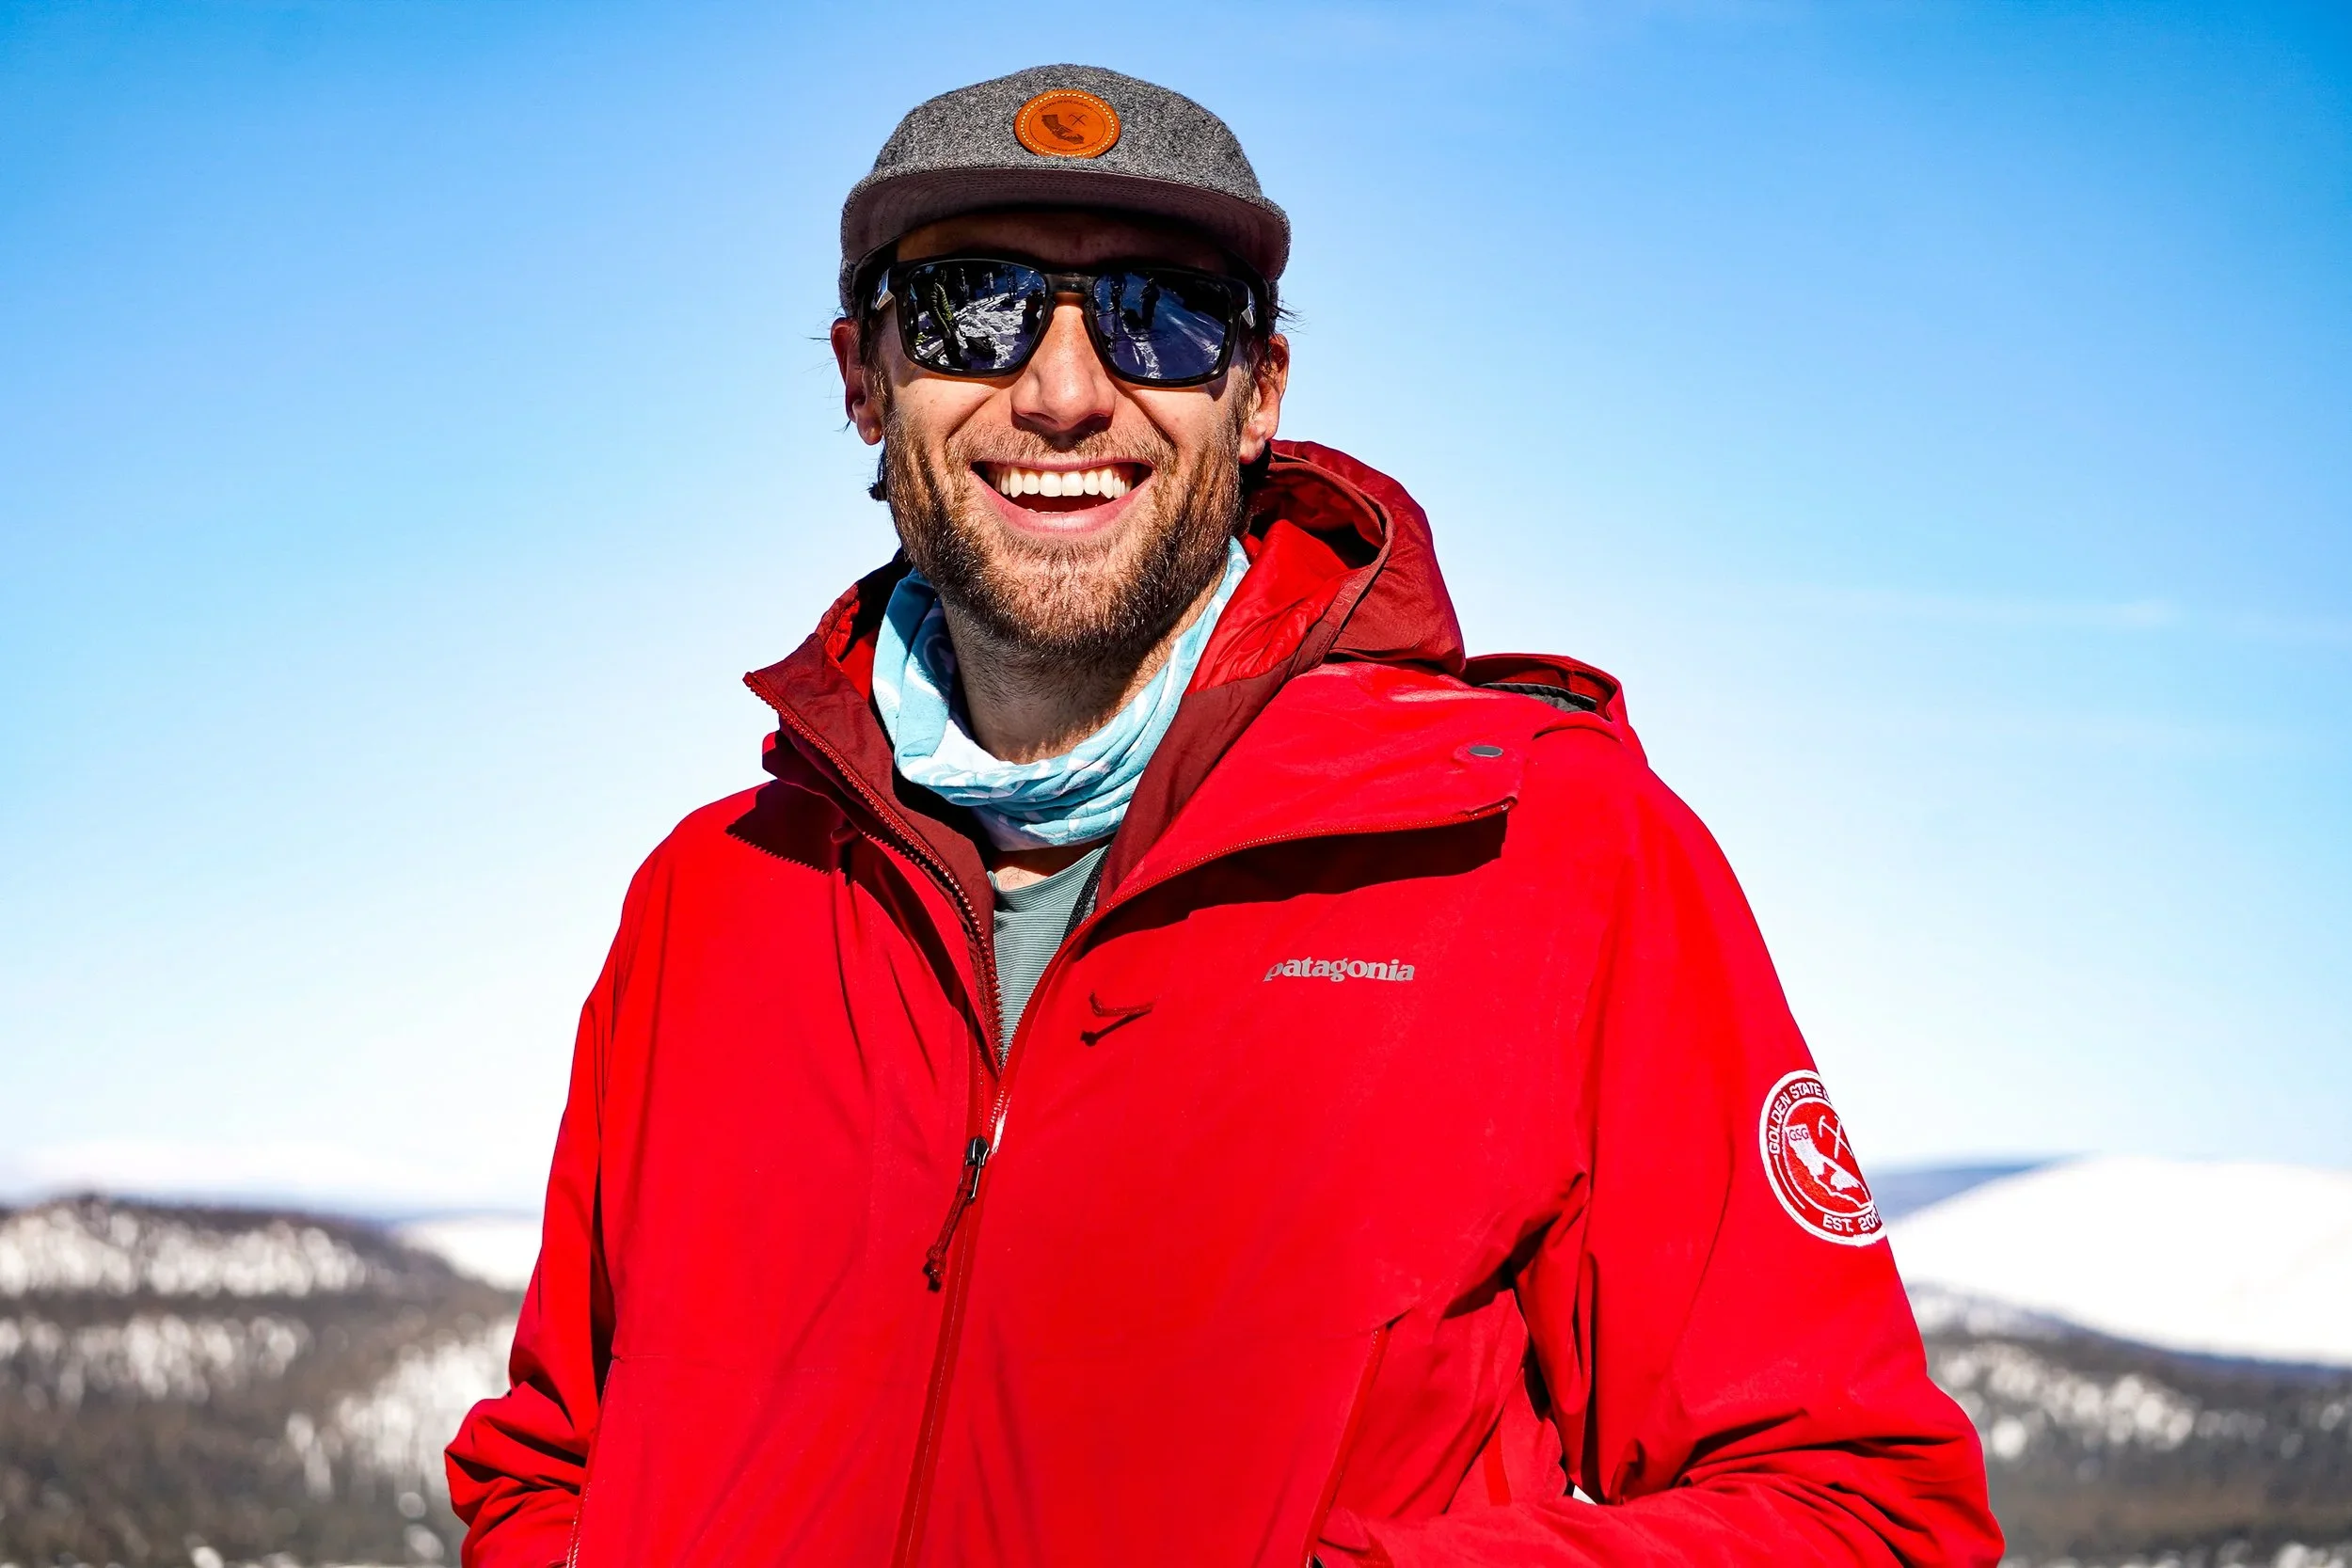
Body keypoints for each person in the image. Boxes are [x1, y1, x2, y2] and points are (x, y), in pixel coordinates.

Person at [446, 63, 2002, 1567]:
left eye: (1162, 314)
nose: (1065, 390)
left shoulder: (1543, 843)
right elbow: (548, 1473)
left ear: (1256, 396)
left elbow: (1861, 1511)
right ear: (867, 379)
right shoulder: (715, 897)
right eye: (973, 306)